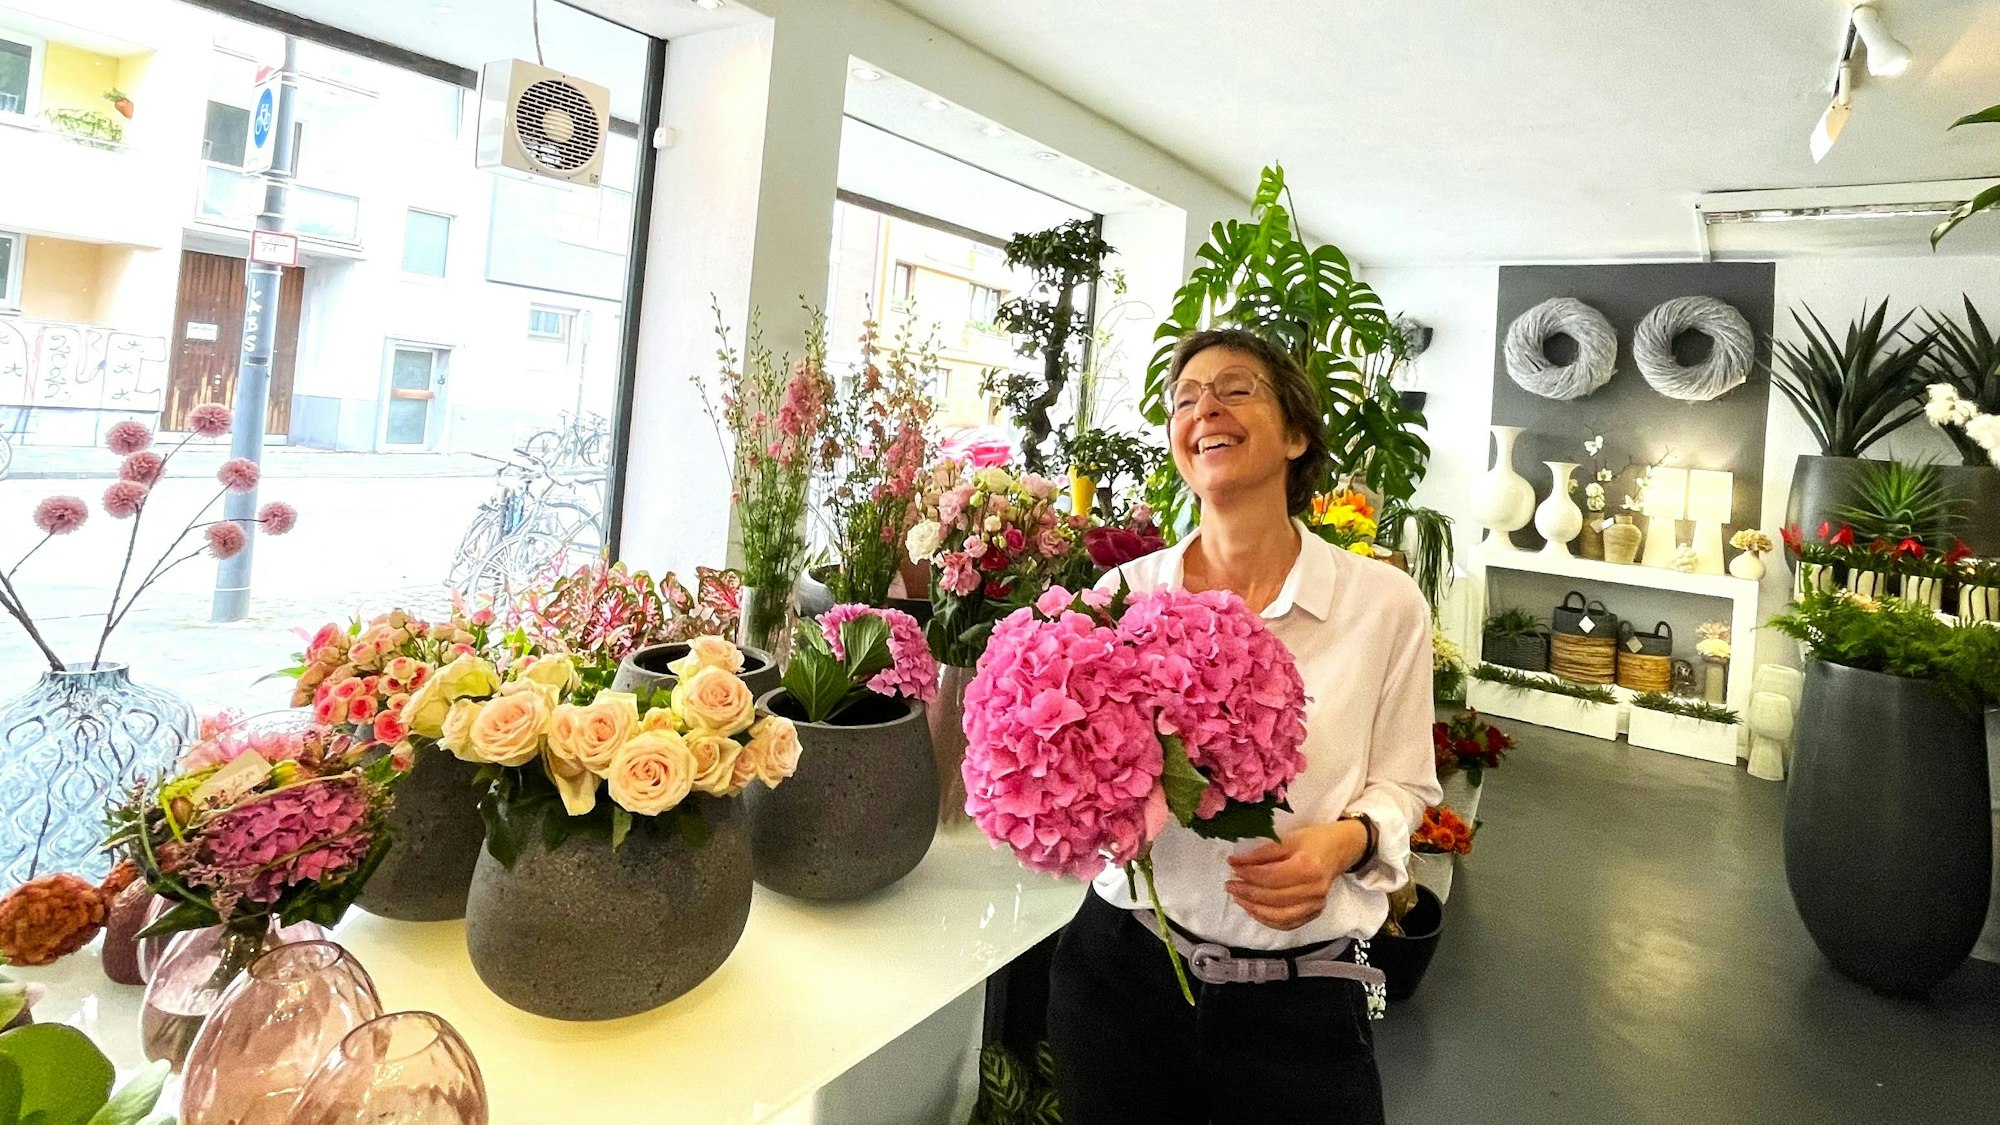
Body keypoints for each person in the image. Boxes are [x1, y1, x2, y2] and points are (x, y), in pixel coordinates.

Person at [1046, 327, 1441, 1124]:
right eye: (1185, 399)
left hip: (1303, 1005)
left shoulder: (1383, 605)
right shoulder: (1122, 596)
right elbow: (1073, 768)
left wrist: (1350, 840)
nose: (1205, 410)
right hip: (1124, 976)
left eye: (1235, 389)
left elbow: (1406, 783)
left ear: (1296, 434)